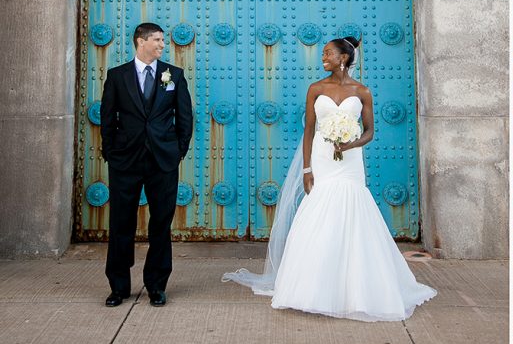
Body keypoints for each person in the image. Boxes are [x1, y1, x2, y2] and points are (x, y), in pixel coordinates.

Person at [224, 37, 436, 319]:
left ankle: (354, 289)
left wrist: (350, 145)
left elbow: (370, 132)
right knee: (319, 211)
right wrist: (307, 169)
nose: (323, 57)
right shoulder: (316, 89)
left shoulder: (362, 91)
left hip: (349, 161)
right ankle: (311, 287)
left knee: (352, 210)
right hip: (323, 159)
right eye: (323, 53)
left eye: (328, 53)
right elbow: (309, 131)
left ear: (344, 58)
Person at [100, 22, 193, 307]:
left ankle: (156, 285)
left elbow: (184, 117)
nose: (163, 45)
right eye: (157, 39)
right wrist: (112, 152)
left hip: (162, 161)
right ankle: (118, 287)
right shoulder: (117, 76)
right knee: (120, 224)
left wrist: (177, 151)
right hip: (125, 162)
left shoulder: (172, 74)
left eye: (163, 40)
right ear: (141, 41)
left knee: (160, 225)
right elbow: (107, 118)